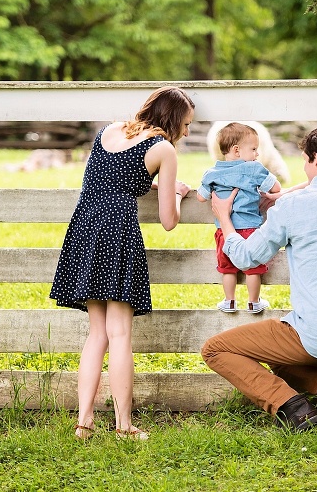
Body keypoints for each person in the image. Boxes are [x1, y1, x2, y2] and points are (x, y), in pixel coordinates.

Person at [201, 124, 317, 432]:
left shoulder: (292, 208)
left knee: (215, 349)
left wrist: (224, 220)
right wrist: (287, 191)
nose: (303, 165)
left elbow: (245, 257)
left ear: (316, 160)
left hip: (316, 338)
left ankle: (291, 407)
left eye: (305, 159)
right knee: (282, 358)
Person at [50, 86, 195, 440]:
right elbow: (168, 221)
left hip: (84, 227)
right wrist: (175, 192)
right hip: (117, 233)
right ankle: (124, 426)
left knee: (96, 334)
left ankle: (84, 423)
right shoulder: (163, 149)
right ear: (173, 121)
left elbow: (105, 181)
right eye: (187, 124)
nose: (188, 132)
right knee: (120, 334)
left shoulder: (108, 131)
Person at [197, 122, 281, 313]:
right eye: (253, 149)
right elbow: (275, 188)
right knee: (252, 267)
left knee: (227, 268)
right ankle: (253, 302)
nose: (257, 154)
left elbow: (201, 197)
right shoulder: (253, 169)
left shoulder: (212, 173)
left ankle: (230, 301)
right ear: (237, 150)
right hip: (250, 229)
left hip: (224, 232)